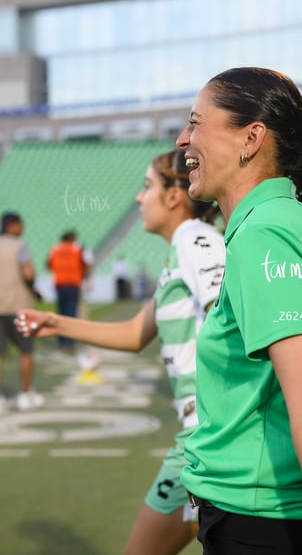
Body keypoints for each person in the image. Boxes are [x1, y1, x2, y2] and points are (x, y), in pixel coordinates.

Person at [176, 67, 302, 555]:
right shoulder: (282, 223)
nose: (182, 139)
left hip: (261, 526)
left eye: (196, 123)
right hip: (271, 519)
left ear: (250, 138)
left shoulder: (265, 234)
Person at [15, 149, 226, 555]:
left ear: (173, 196)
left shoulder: (196, 241)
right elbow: (134, 334)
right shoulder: (184, 247)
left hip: (209, 437)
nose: (137, 198)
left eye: (147, 187)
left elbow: (232, 319)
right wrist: (56, 323)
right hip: (205, 435)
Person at [0, 212, 44, 411]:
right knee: (26, 351)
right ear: (12, 225)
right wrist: (33, 287)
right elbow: (28, 273)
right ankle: (25, 394)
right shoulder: (20, 246)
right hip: (18, 305)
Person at [47, 229, 91, 351]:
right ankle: (69, 342)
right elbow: (85, 266)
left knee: (60, 314)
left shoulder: (55, 250)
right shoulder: (78, 250)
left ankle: (61, 341)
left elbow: (49, 265)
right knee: (70, 314)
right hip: (73, 284)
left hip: (60, 285)